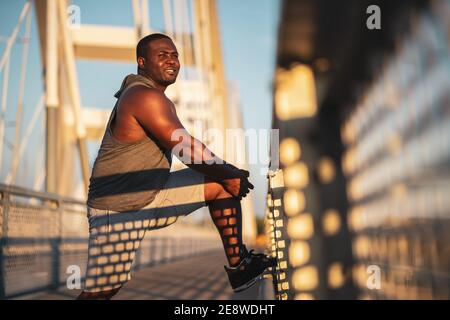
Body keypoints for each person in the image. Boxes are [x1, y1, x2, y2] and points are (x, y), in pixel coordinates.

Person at [77, 33, 276, 300]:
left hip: (153, 192)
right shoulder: (142, 97)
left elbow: (191, 147)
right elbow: (185, 148)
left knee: (218, 184)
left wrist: (229, 174)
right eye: (162, 56)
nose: (172, 61)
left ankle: (239, 266)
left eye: (175, 55)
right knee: (100, 294)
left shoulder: (153, 97)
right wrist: (229, 173)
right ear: (142, 62)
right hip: (118, 207)